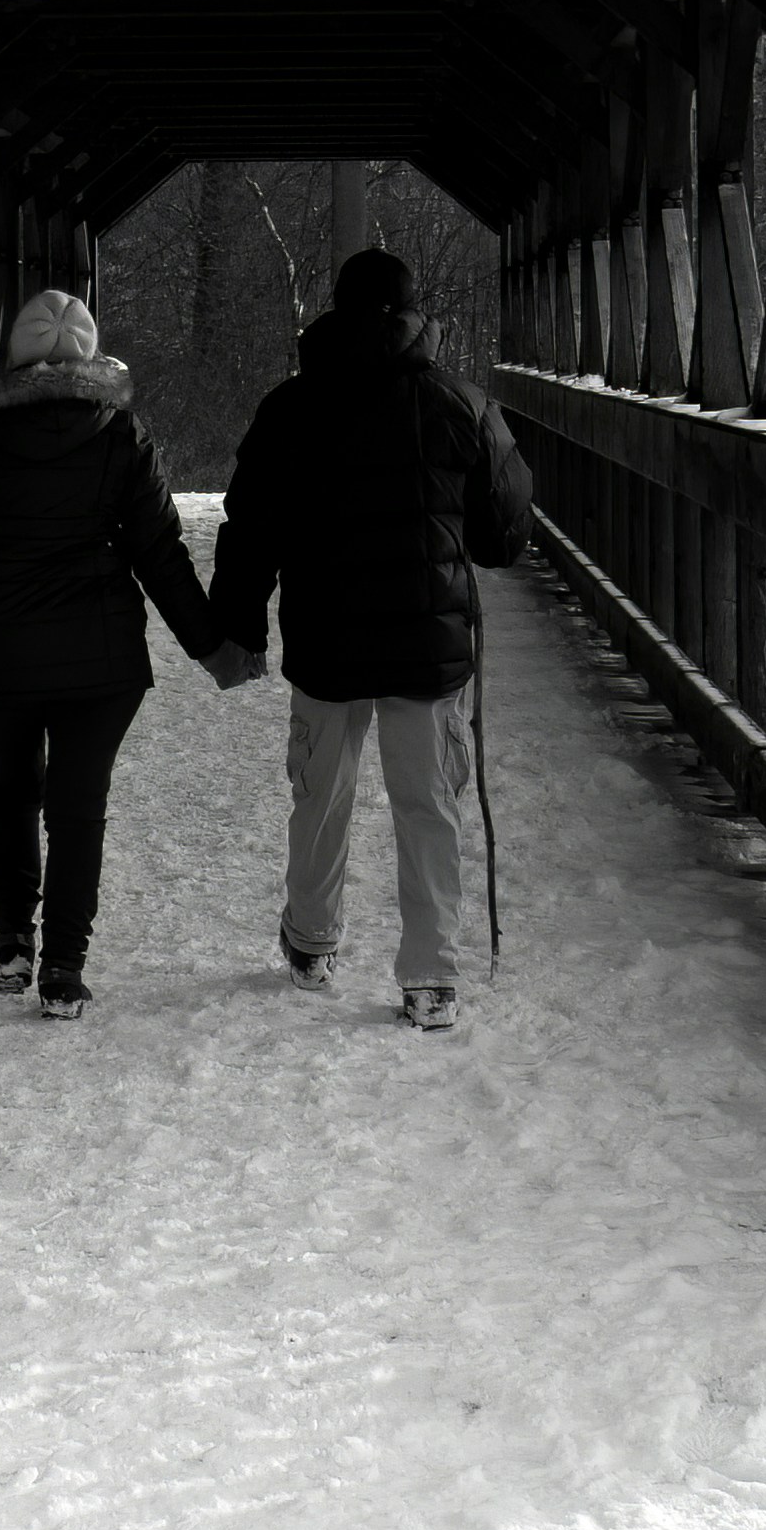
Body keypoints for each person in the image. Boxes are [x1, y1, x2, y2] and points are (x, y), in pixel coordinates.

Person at [210, 244, 532, 1031]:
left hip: (326, 641)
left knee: (322, 793)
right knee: (428, 803)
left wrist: (237, 626)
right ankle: (430, 977)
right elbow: (505, 537)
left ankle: (313, 942)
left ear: (335, 311)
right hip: (430, 648)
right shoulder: (463, 403)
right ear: (414, 314)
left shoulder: (289, 408)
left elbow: (250, 527)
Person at [0, 288, 244, 1019]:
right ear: (90, 357)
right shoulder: (120, 434)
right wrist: (210, 646)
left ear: (15, 356)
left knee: (11, 784)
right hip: (100, 659)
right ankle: (63, 968)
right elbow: (158, 550)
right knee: (79, 807)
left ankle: (11, 941)